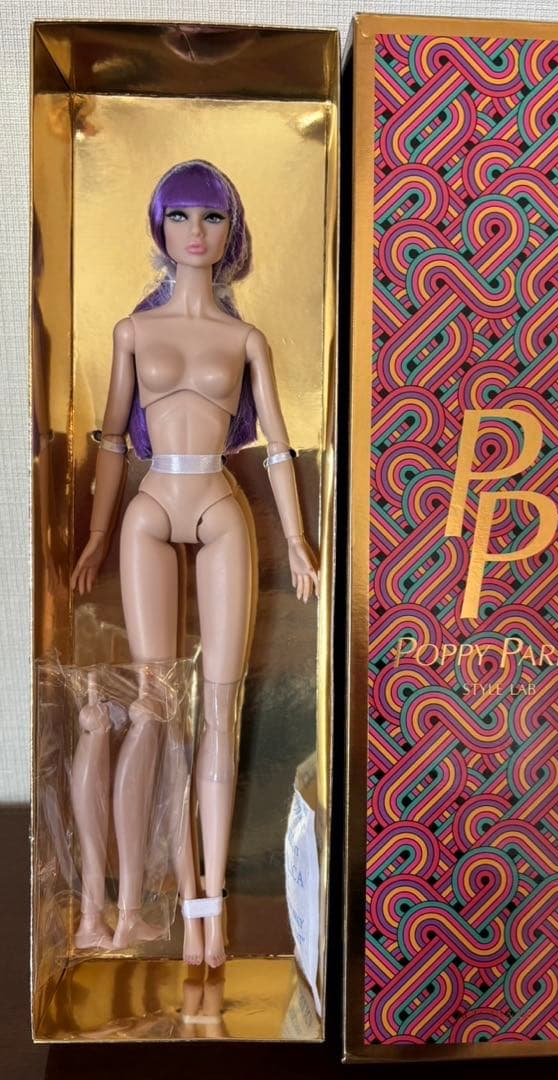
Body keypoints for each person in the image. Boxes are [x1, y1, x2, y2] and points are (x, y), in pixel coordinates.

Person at [70, 159, 319, 968]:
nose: (195, 233)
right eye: (180, 217)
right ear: (160, 227)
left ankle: (211, 907)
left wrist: (298, 540)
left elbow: (276, 447)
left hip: (218, 504)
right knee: (159, 704)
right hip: (149, 508)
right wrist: (98, 534)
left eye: (210, 218)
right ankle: (173, 900)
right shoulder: (131, 332)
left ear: (230, 231)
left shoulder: (244, 339)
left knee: (221, 706)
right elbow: (112, 439)